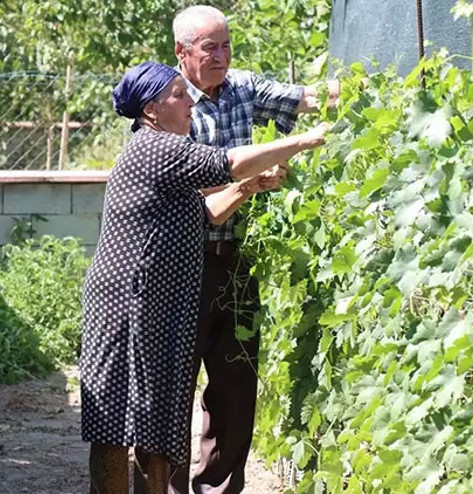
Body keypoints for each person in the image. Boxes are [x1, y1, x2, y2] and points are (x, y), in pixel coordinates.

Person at [80, 61, 328, 494]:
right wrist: (304, 141)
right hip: (127, 302)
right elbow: (228, 162)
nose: (190, 102)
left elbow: (207, 212)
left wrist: (250, 188)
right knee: (116, 419)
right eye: (179, 94)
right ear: (152, 110)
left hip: (152, 303)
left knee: (154, 414)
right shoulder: (154, 147)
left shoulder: (164, 152)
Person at [168, 6, 341, 493]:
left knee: (236, 385)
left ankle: (220, 488)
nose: (221, 56)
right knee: (175, 386)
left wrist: (371, 91)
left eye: (226, 45)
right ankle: (169, 487)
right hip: (183, 263)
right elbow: (179, 193)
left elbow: (306, 98)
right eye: (209, 47)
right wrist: (249, 182)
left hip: (238, 261)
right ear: (182, 53)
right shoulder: (167, 103)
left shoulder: (242, 88)